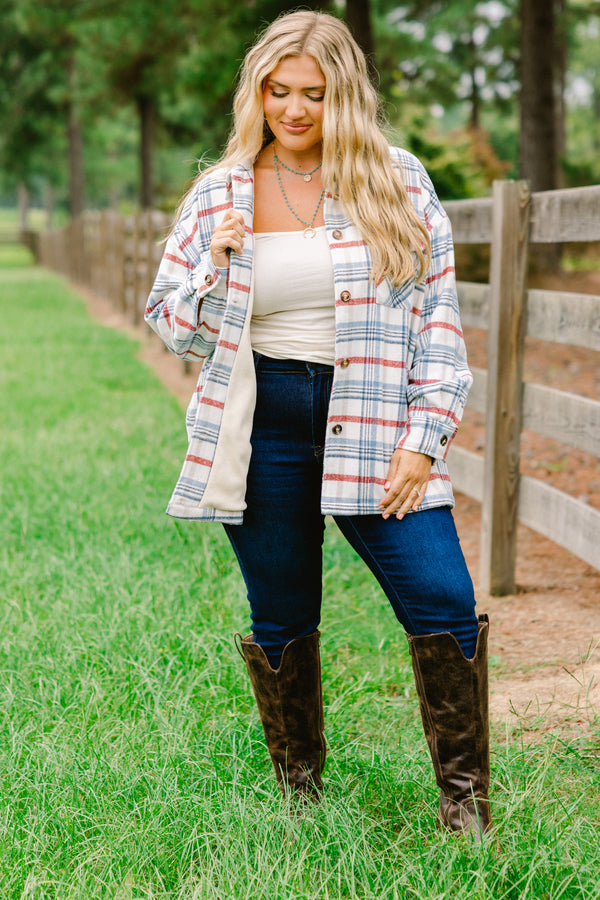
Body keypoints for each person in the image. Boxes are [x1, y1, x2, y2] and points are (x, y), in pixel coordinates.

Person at [145, 10, 492, 840]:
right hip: (262, 424)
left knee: (443, 597)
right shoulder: (220, 191)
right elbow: (173, 325)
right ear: (256, 91)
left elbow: (438, 323)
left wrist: (425, 436)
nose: (295, 110)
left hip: (373, 418)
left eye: (315, 93)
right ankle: (301, 799)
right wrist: (218, 263)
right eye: (279, 91)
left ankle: (467, 808)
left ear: (345, 97)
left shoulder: (397, 180)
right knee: (283, 615)